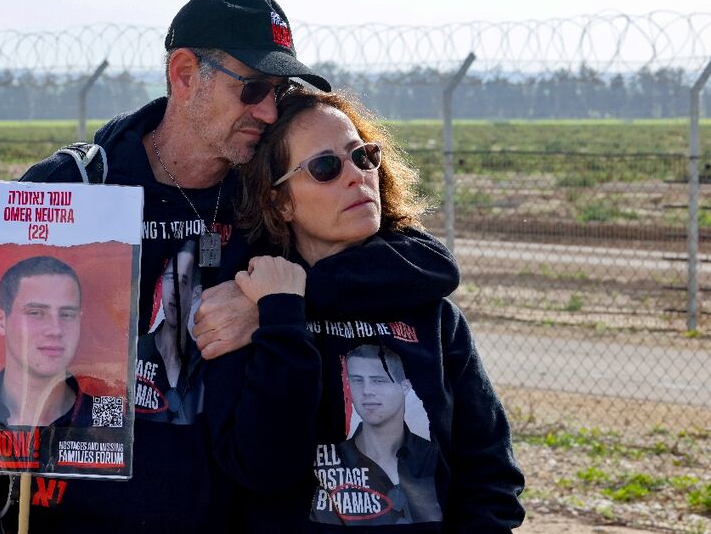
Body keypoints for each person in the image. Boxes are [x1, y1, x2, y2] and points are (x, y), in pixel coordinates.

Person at [0, 0, 331, 533]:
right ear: (185, 74)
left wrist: (275, 305)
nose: (267, 111)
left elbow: (409, 265)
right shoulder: (78, 185)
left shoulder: (269, 195)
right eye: (252, 87)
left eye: (278, 92)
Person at [232, 86, 525, 531]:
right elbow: (264, 470)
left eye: (363, 156)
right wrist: (284, 320)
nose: (356, 176)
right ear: (280, 201)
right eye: (325, 167)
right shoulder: (255, 312)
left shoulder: (433, 315)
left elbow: (490, 471)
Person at [311, 345, 441, 525]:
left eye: (378, 381)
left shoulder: (433, 457)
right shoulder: (329, 463)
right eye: (357, 380)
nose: (366, 391)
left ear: (405, 387)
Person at [0, 255, 93, 428]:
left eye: (67, 314)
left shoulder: (109, 418)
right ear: (1, 321)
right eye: (36, 313)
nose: (56, 330)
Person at [136, 240, 205, 424]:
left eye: (183, 282)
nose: (174, 290)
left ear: (196, 294)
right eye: (169, 279)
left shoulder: (202, 362)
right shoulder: (133, 352)